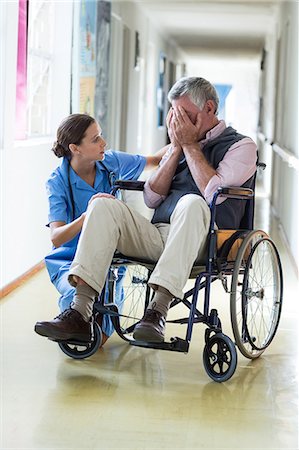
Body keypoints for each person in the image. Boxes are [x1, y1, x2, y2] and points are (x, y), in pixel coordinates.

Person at [35, 77, 257, 344]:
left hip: (205, 240)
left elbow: (214, 195)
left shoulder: (242, 146)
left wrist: (189, 146)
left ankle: (156, 312)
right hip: (159, 235)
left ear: (209, 108)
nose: (179, 123)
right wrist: (176, 148)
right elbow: (152, 198)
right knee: (102, 203)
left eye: (185, 115)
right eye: (174, 115)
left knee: (192, 201)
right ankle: (80, 313)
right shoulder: (177, 144)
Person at [42, 113, 166, 344]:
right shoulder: (58, 182)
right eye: (96, 139)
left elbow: (155, 160)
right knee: (77, 315)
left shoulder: (110, 162)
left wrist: (182, 139)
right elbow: (57, 238)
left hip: (110, 261)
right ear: (75, 148)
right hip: (71, 260)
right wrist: (89, 216)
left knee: (99, 340)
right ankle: (73, 312)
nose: (104, 143)